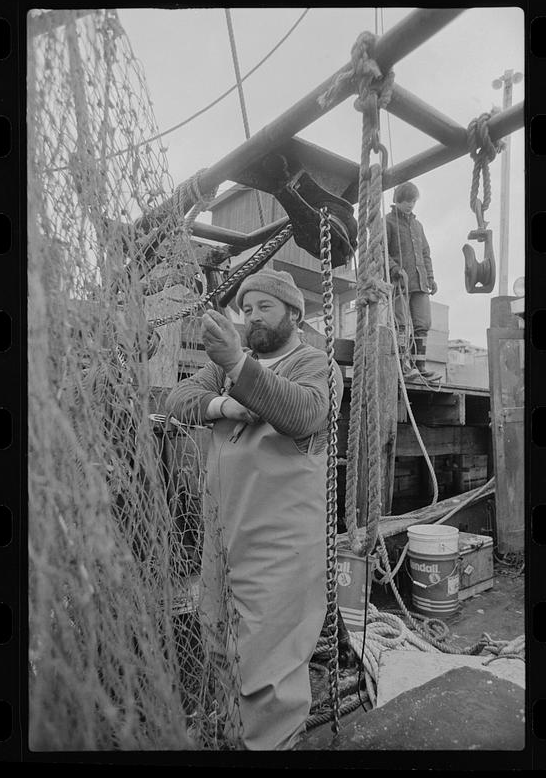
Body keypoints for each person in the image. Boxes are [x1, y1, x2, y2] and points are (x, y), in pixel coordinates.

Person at [165, 268, 343, 750]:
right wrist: (225, 403)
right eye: (246, 309)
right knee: (219, 645)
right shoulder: (225, 371)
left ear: (295, 313)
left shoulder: (316, 364)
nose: (253, 317)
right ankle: (229, 738)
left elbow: (301, 413)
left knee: (268, 666)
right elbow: (178, 398)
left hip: (280, 547)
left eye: (265, 307)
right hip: (223, 538)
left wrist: (240, 368)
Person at [385, 181, 440, 380]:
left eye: (413, 201)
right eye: (407, 201)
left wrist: (431, 278)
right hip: (399, 282)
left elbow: (426, 253)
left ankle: (420, 366)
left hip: (420, 282)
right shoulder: (387, 222)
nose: (410, 205)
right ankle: (402, 367)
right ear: (397, 200)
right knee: (399, 324)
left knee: (422, 324)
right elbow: (381, 252)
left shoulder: (418, 225)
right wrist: (395, 269)